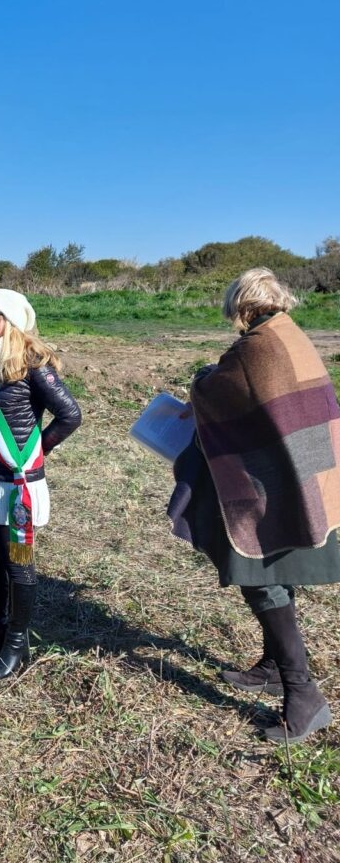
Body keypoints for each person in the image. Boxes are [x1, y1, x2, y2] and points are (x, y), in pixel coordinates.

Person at [169, 268, 339, 743]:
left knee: (258, 571)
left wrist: (202, 378)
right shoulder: (292, 335)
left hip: (272, 480)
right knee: (278, 565)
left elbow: (214, 393)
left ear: (242, 307)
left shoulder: (255, 348)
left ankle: (304, 697)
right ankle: (272, 666)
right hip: (302, 472)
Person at [0, 289, 82, 679]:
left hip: (15, 485)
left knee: (18, 566)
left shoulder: (32, 365)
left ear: (7, 320)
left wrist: (38, 450)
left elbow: (70, 415)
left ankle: (17, 644)